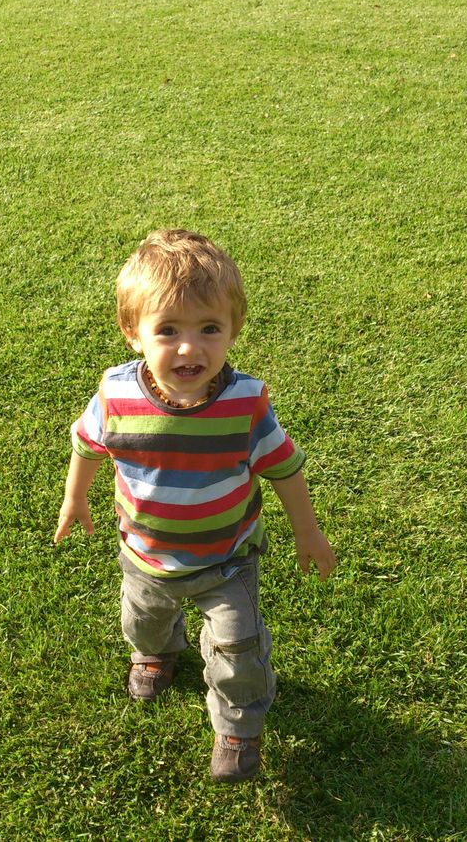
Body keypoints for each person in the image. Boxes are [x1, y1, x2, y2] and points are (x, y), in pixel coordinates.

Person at [54, 229, 336, 783]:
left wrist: (308, 532)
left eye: (210, 328)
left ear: (234, 330)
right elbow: (87, 445)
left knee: (238, 649)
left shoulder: (245, 404)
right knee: (144, 621)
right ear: (132, 333)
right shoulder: (115, 397)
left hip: (226, 560)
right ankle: (156, 655)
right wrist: (75, 497)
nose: (191, 348)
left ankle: (237, 726)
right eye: (169, 330)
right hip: (145, 556)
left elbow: (283, 466)